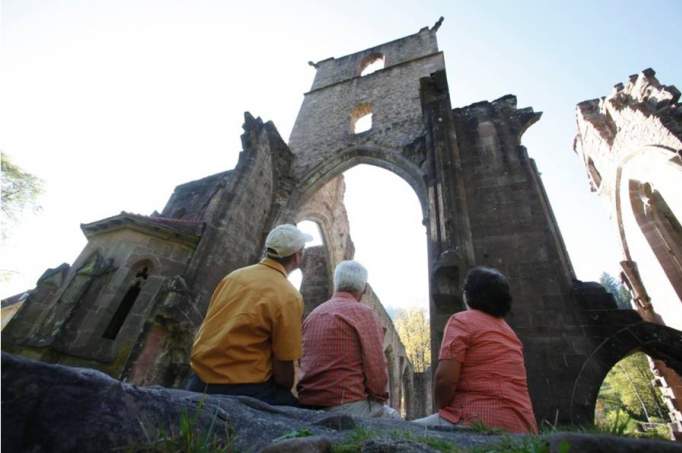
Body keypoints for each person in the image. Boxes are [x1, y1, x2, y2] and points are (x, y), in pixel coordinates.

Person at [186, 224, 312, 405]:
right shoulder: (289, 296)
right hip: (241, 386)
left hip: (198, 378)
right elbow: (284, 369)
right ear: (297, 256)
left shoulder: (233, 277)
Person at [413, 266, 538, 433]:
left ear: (468, 294)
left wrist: (442, 409)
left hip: (476, 420)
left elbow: (445, 379)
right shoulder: (510, 333)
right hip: (523, 427)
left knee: (400, 431)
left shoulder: (462, 320)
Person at [297, 260, 400, 419]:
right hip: (344, 406)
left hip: (306, 403)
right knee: (395, 419)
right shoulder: (364, 314)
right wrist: (378, 398)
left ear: (336, 283)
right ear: (364, 288)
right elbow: (376, 369)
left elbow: (300, 360)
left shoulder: (313, 315)